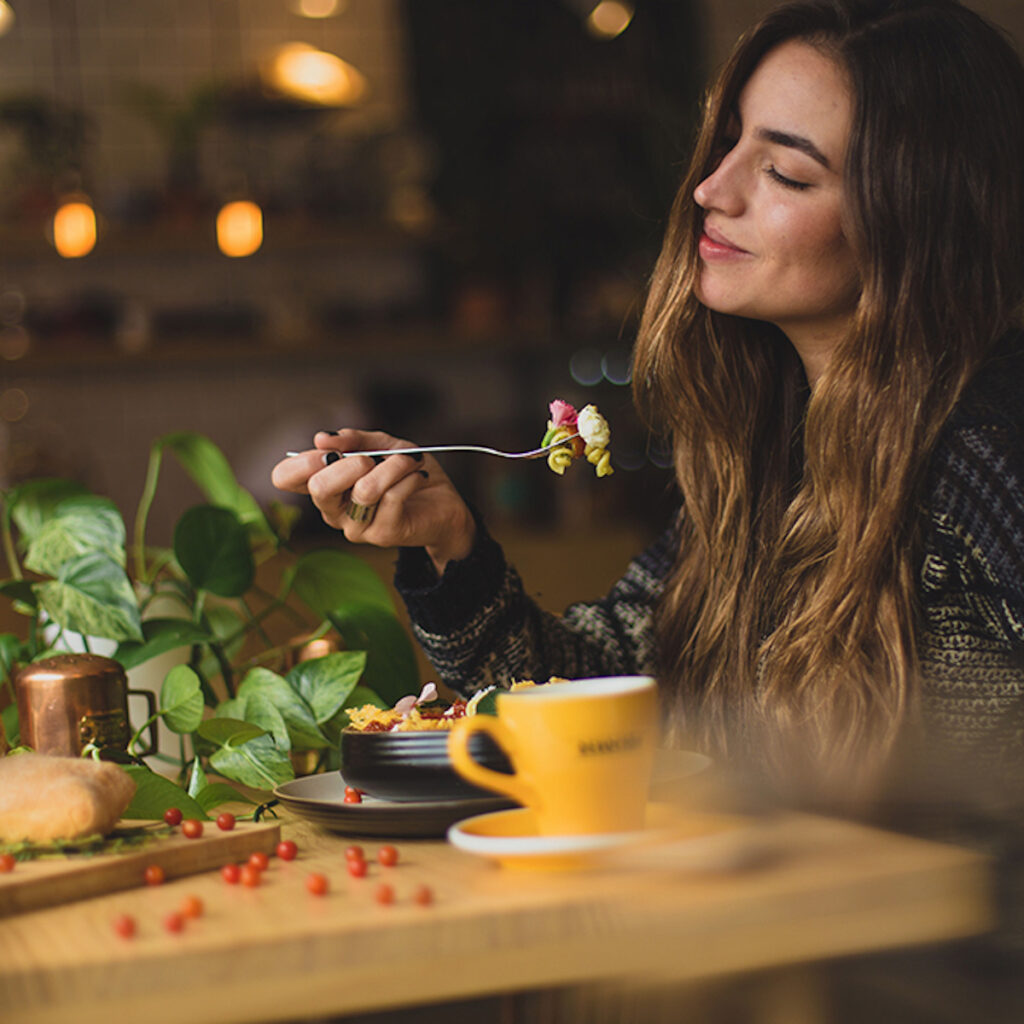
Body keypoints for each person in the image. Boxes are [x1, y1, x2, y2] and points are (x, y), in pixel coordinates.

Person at [273, 0, 1024, 805]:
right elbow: (605, 691)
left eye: (786, 171)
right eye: (731, 139)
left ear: (921, 216)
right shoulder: (775, 446)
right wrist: (451, 547)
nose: (710, 187)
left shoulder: (983, 455)